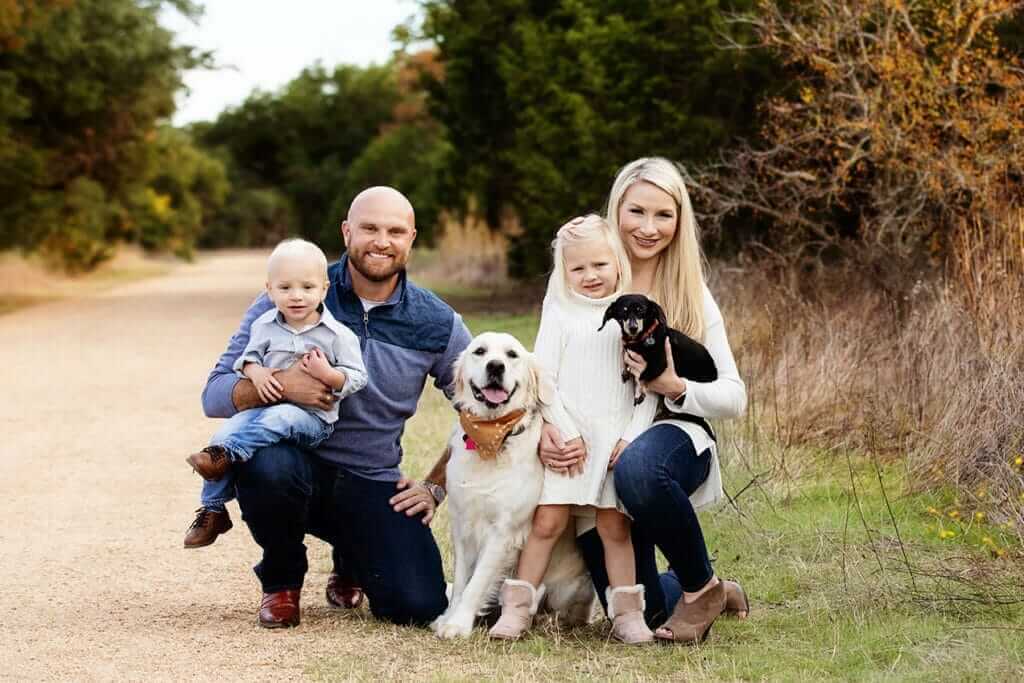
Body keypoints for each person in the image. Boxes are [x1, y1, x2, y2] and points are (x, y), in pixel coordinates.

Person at [198, 186, 471, 628]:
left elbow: (483, 409)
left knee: (418, 606)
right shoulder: (294, 290)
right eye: (369, 228)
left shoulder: (437, 322)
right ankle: (282, 582)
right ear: (347, 232)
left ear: (411, 238)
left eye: (395, 231)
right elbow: (215, 394)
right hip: (295, 467)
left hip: (372, 479)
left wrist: (436, 485)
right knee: (267, 466)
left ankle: (352, 558)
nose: (382, 241)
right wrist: (286, 386)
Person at [538, 158, 750, 643]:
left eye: (664, 215)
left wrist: (674, 386)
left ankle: (700, 588)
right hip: (597, 444)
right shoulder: (585, 275)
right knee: (643, 613)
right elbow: (545, 369)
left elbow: (734, 397)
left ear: (680, 221)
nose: (649, 228)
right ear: (616, 211)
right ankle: (720, 589)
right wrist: (550, 430)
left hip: (674, 432)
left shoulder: (690, 291)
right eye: (636, 212)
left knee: (636, 466)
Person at [488, 215, 658, 643]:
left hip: (615, 441)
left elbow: (649, 386)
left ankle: (627, 617)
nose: (590, 276)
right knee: (547, 522)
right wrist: (564, 430)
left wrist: (632, 436)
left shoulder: (632, 312)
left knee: (614, 527)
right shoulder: (561, 312)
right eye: (577, 268)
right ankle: (516, 608)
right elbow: (544, 378)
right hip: (570, 441)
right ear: (563, 272)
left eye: (600, 265)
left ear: (618, 261)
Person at [183, 239, 367, 548]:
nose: (296, 296)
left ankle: (229, 454)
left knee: (279, 417)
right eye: (285, 288)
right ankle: (214, 510)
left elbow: (358, 377)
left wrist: (330, 376)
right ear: (269, 290)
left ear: (324, 289)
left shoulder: (337, 335)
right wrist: (257, 373)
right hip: (264, 411)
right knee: (224, 432)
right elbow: (246, 360)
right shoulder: (264, 325)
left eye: (307, 288)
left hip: (313, 419)